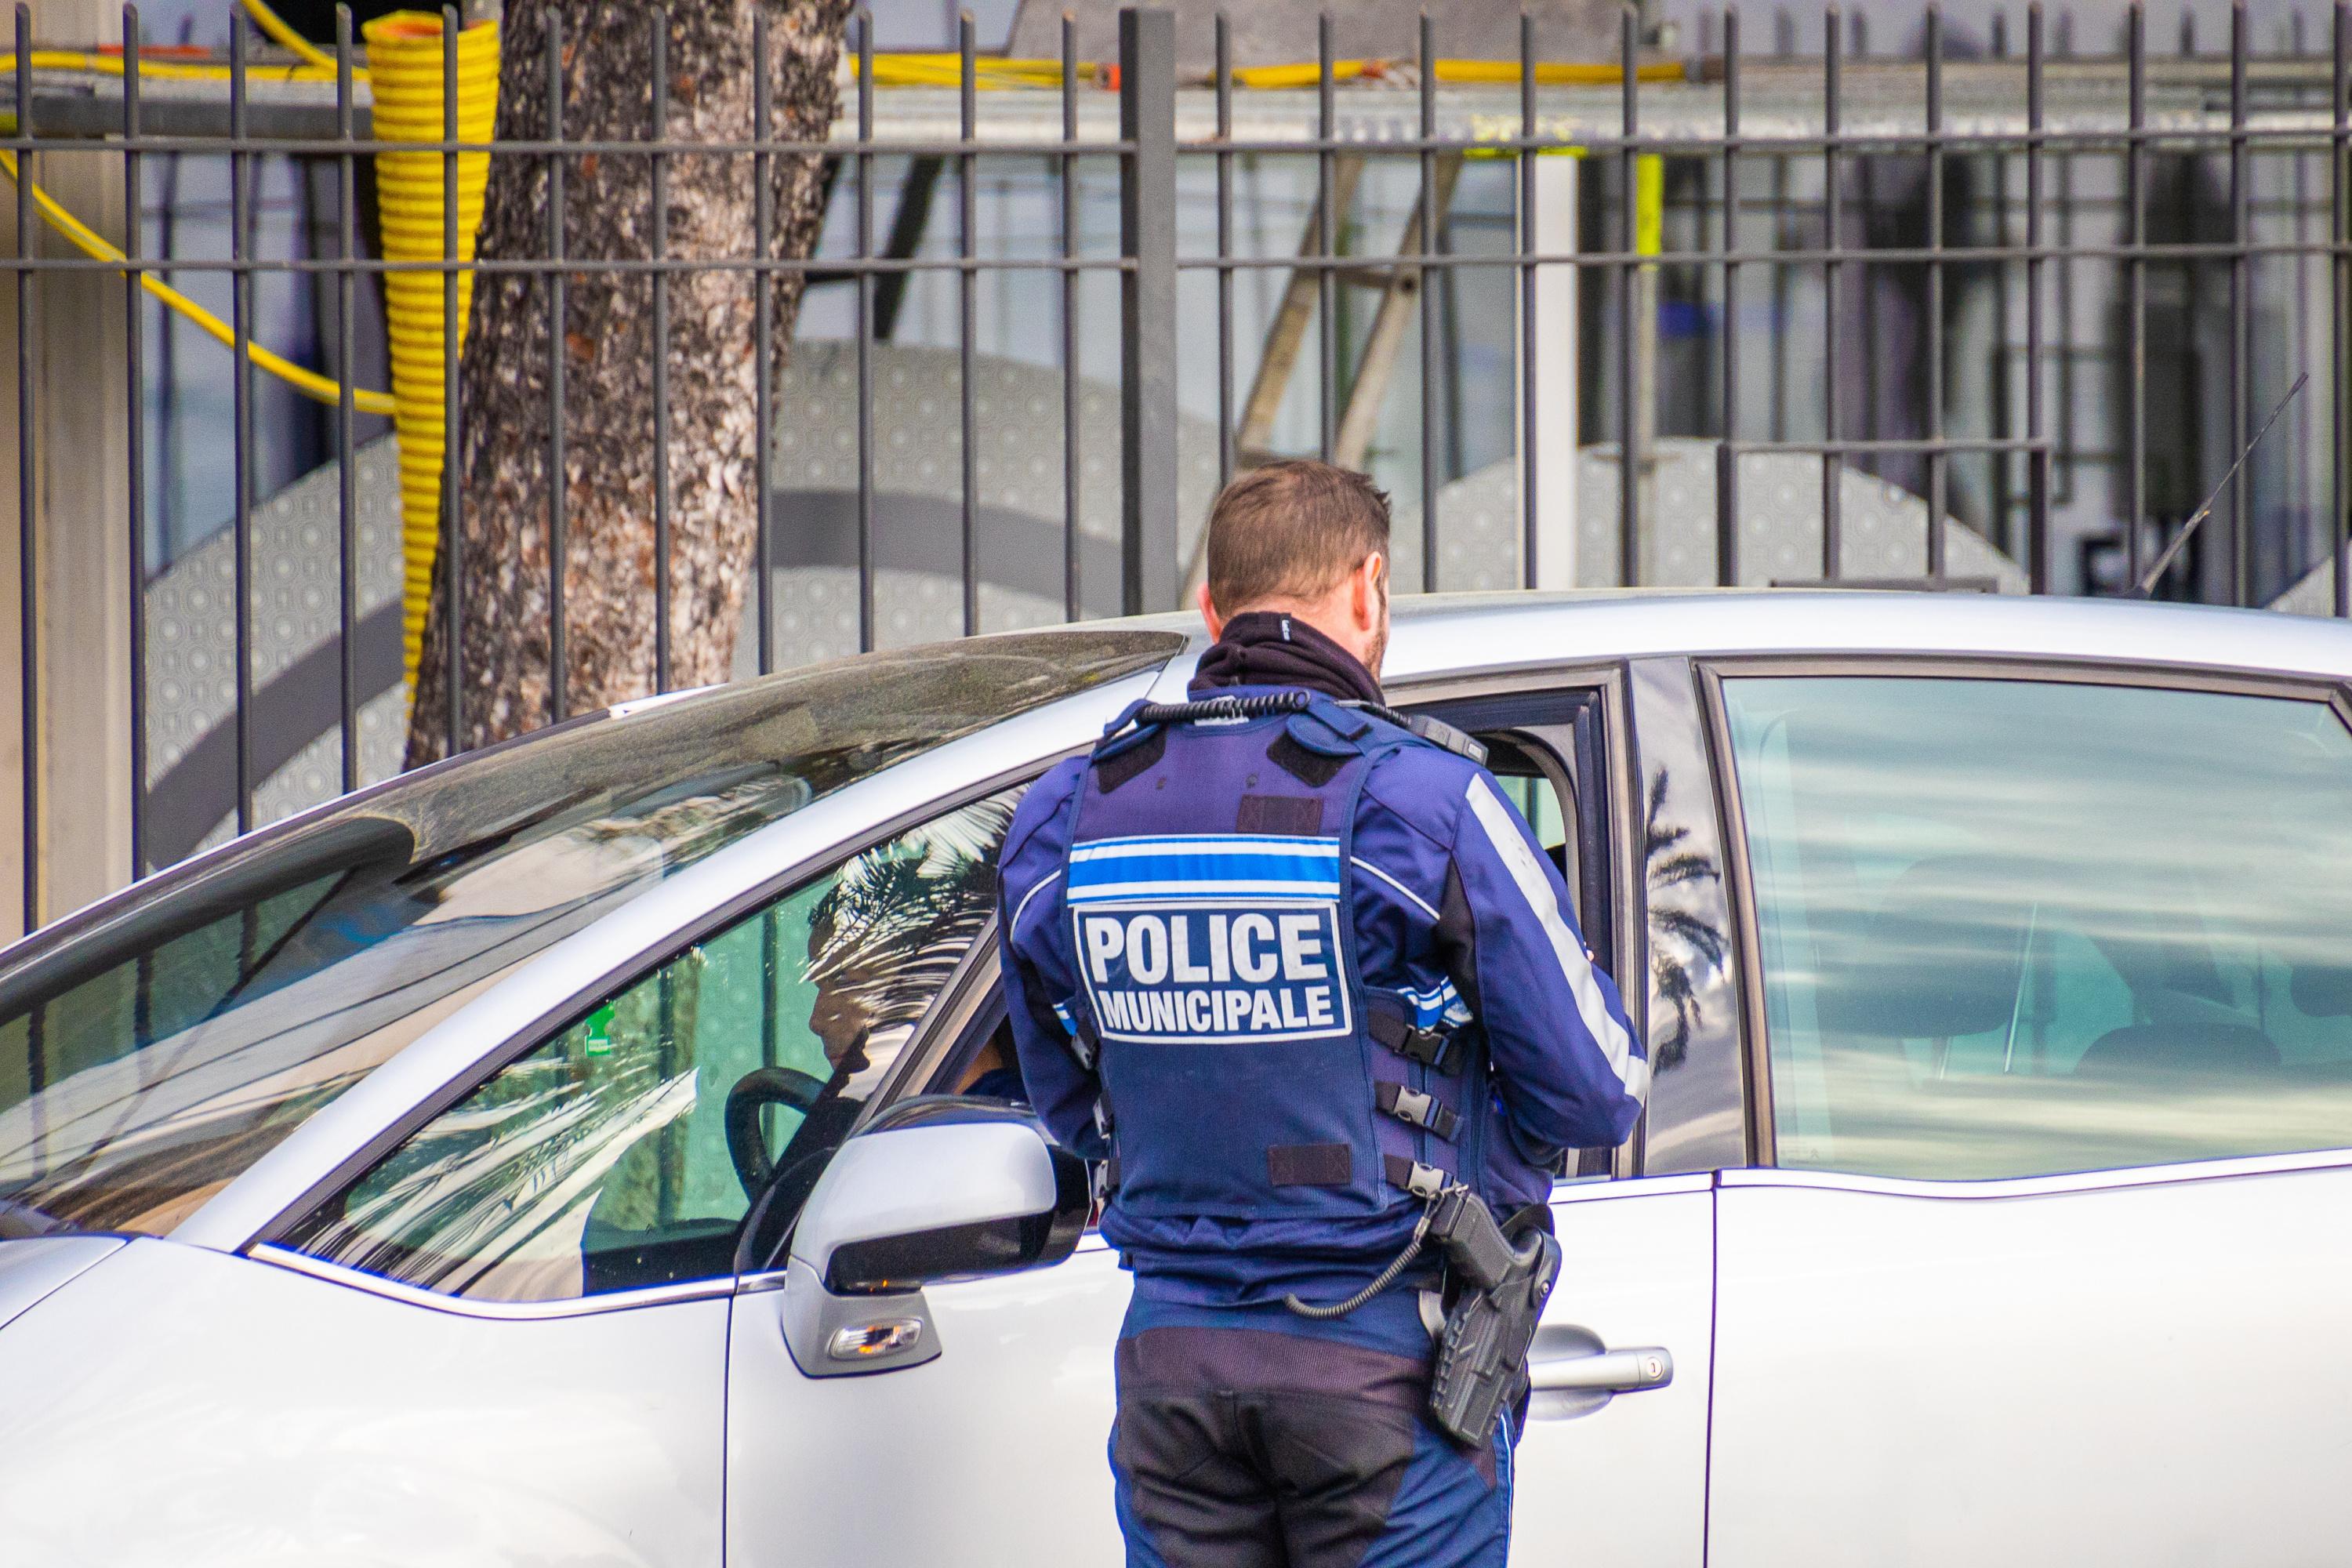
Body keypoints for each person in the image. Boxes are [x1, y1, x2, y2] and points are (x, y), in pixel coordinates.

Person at [996, 459, 1645, 1568]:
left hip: (1172, 1363)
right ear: (1369, 588)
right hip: (1384, 1355)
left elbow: (1065, 1099)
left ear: (1212, 611)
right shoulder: (1424, 803)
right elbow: (1600, 1086)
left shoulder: (1069, 814)